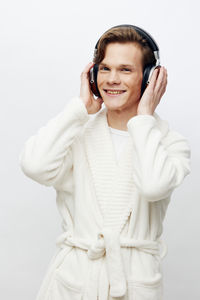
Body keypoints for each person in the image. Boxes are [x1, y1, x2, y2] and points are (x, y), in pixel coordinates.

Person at [19, 25, 191, 300]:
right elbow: (35, 166)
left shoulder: (168, 143)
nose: (112, 79)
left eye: (125, 70)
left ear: (148, 79)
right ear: (91, 75)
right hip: (74, 281)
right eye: (104, 69)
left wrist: (145, 117)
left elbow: (153, 186)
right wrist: (78, 110)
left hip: (135, 284)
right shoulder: (76, 134)